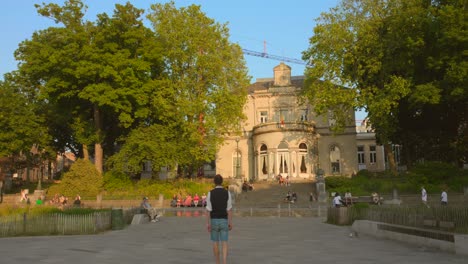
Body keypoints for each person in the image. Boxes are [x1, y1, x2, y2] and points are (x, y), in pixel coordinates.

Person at [206, 174, 232, 264]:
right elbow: (229, 209)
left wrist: (207, 223)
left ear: (214, 182)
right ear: (222, 182)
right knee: (224, 242)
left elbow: (208, 210)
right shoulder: (227, 193)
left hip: (214, 220)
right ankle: (224, 262)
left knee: (215, 242)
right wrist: (230, 222)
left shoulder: (210, 193)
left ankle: (217, 262)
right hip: (224, 220)